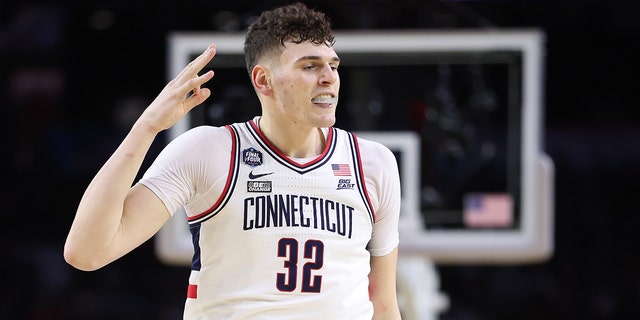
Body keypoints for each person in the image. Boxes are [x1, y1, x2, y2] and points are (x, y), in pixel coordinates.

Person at [64, 2, 402, 319]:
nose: (329, 77)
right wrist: (147, 127)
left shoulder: (373, 163)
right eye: (310, 66)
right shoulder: (209, 151)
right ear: (263, 80)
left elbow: (384, 304)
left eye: (332, 65)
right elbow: (87, 251)